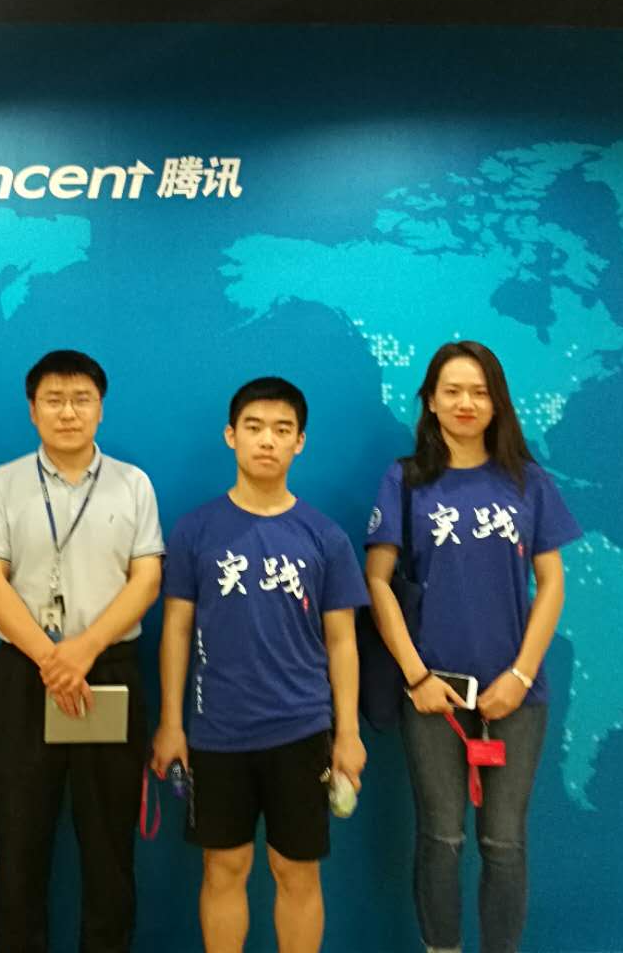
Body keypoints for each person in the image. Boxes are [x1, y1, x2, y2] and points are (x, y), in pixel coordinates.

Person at [364, 340, 581, 953]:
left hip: (516, 697)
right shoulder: (405, 481)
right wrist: (417, 677)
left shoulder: (528, 482)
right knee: (441, 838)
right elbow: (377, 582)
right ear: (431, 401)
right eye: (452, 390)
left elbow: (552, 582)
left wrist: (520, 675)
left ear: (497, 403)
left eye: (480, 392)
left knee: (504, 842)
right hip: (431, 694)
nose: (466, 402)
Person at [152, 376, 367, 953]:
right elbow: (176, 630)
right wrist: (171, 724)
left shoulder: (325, 537)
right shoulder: (195, 530)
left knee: (296, 872)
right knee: (224, 869)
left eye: (281, 429)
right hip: (217, 732)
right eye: (254, 427)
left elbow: (343, 642)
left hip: (302, 730)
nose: (267, 440)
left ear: (300, 442)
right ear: (231, 436)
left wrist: (348, 733)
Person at [0, 349, 163, 953]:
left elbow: (147, 579)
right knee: (19, 842)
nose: (68, 412)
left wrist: (82, 651)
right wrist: (51, 659)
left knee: (109, 845)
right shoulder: (4, 484)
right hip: (26, 676)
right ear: (32, 410)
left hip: (108, 672)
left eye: (82, 399)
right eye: (53, 400)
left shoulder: (133, 484)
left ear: (101, 408)